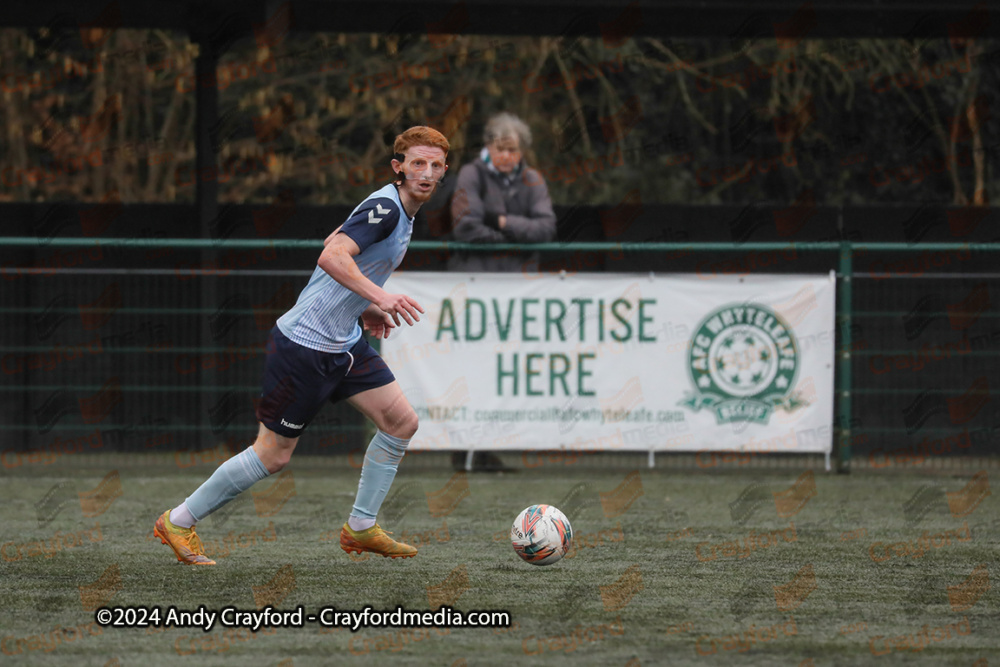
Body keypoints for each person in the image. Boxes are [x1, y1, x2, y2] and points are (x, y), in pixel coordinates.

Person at [153, 126, 449, 564]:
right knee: (272, 456)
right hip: (306, 347)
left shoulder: (399, 209)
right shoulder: (387, 206)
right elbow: (330, 256)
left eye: (436, 166)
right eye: (418, 163)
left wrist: (359, 308)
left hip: (344, 343)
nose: (426, 173)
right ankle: (178, 520)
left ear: (444, 171)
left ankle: (361, 528)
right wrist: (380, 296)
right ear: (398, 168)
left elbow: (336, 243)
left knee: (400, 423)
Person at [447, 112, 557, 471]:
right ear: (488, 146)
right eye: (501, 148)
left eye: (513, 149)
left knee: (504, 371)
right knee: (470, 369)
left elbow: (546, 228)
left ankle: (487, 449)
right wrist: (514, 240)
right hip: (475, 287)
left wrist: (503, 222)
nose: (508, 156)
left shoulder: (533, 178)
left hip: (516, 292)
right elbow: (466, 226)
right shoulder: (470, 174)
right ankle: (464, 451)